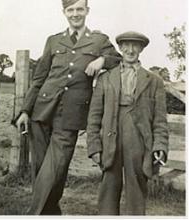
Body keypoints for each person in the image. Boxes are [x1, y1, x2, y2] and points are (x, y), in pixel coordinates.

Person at [15, 0, 121, 215]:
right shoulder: (53, 41)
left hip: (71, 114)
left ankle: (33, 214)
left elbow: (118, 59)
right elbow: (39, 78)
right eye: (70, 10)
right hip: (41, 111)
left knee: (55, 168)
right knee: (42, 169)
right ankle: (51, 213)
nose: (75, 14)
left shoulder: (99, 40)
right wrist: (25, 111)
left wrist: (102, 60)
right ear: (64, 12)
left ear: (87, 11)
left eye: (79, 9)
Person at [87, 31, 169, 215]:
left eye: (135, 46)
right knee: (108, 188)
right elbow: (94, 116)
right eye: (126, 45)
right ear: (120, 48)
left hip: (139, 140)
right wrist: (94, 147)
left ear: (141, 49)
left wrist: (160, 146)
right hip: (110, 138)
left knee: (137, 190)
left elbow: (160, 120)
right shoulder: (105, 78)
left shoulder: (154, 81)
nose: (130, 50)